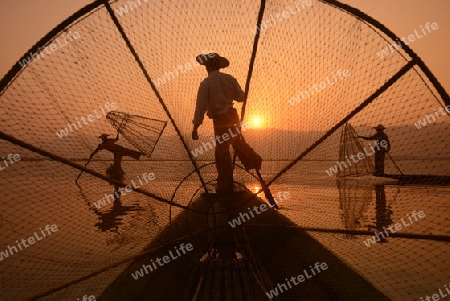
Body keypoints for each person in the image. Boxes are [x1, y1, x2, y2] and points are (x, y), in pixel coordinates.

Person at [192, 52, 253, 193]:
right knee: (237, 144)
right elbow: (241, 97)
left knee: (221, 152)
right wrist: (245, 92)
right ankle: (253, 162)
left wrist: (195, 127)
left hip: (221, 120)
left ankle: (225, 185)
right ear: (219, 66)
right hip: (233, 117)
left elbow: (200, 108)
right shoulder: (229, 79)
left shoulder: (206, 83)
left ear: (207, 67)